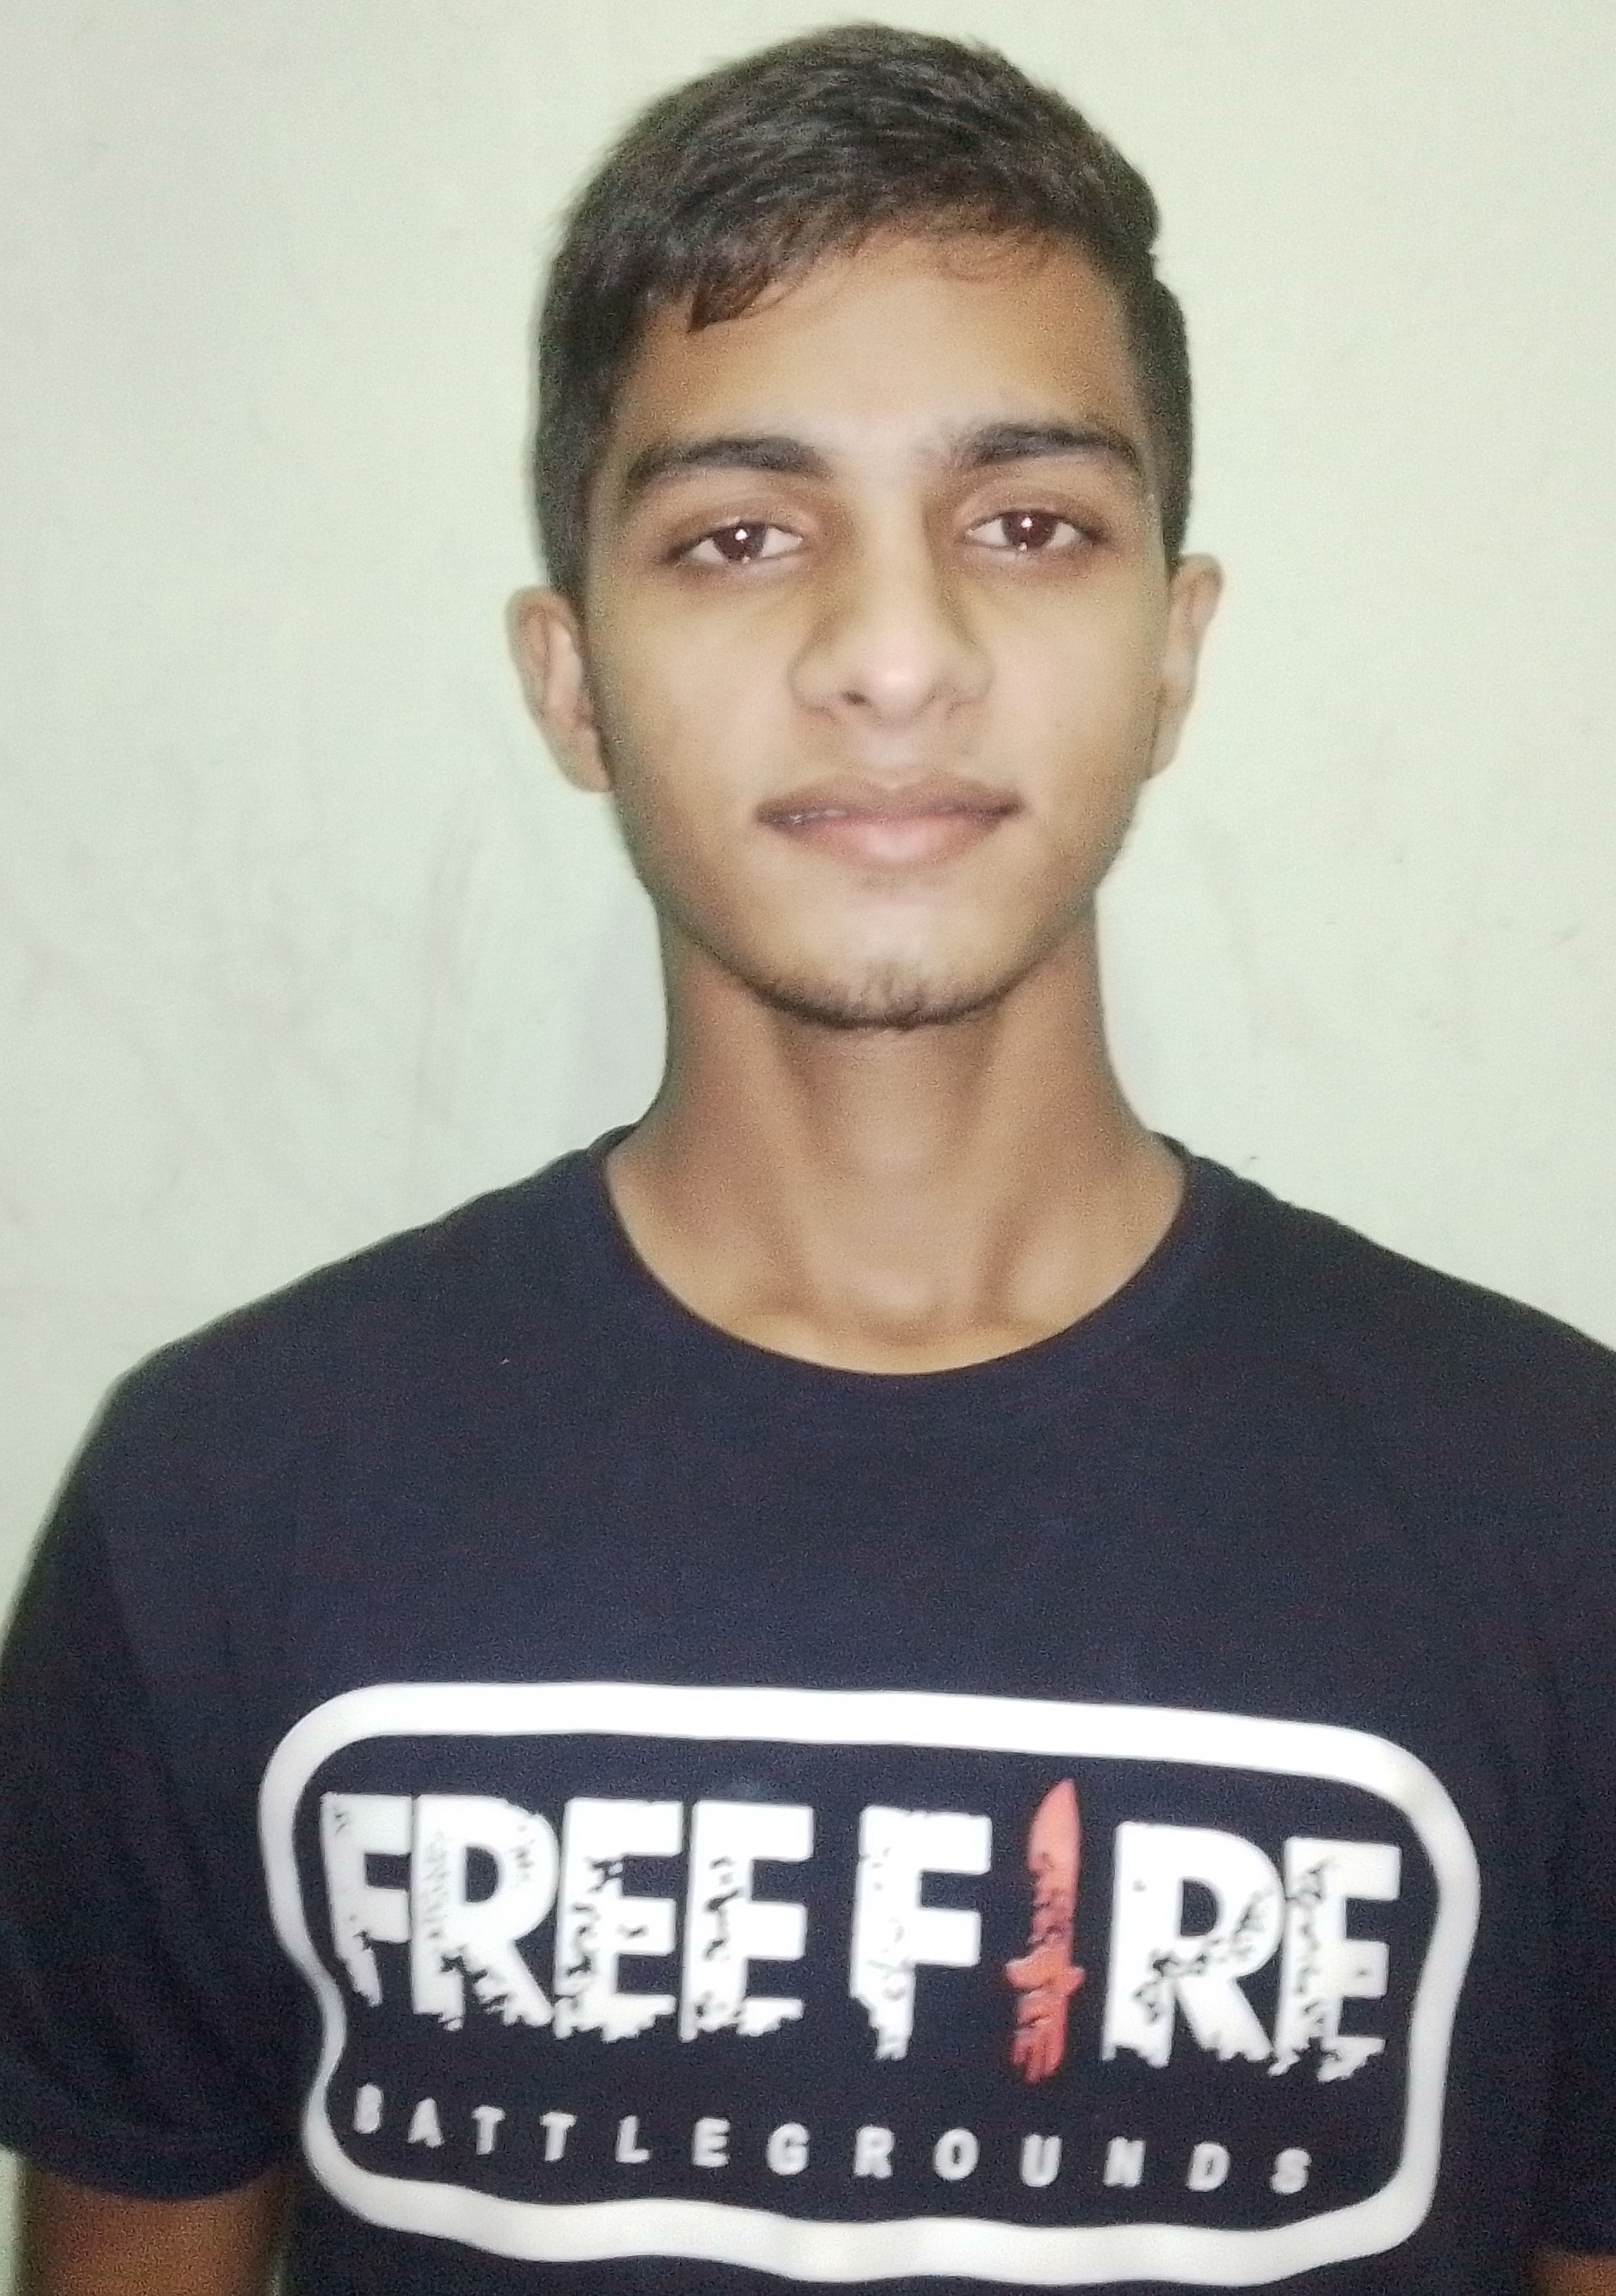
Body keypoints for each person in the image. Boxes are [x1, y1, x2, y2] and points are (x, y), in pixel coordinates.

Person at [0, 22, 1612, 2295]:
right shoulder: (223, 1497)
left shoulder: (1555, 1512)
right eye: (741, 534)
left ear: (1173, 650)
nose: (892, 654)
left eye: (1026, 525)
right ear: (571, 681)